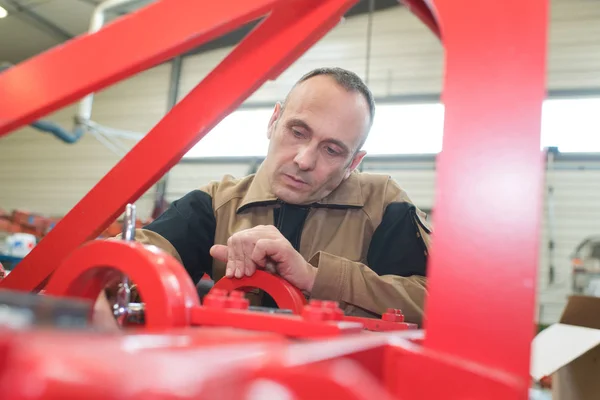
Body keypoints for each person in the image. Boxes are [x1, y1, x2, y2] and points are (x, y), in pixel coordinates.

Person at [102, 67, 432, 327]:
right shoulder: (215, 204)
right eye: (298, 131)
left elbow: (441, 304)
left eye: (332, 150)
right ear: (274, 121)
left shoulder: (385, 205)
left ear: (353, 163)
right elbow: (126, 266)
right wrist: (109, 284)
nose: (304, 160)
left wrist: (315, 277)